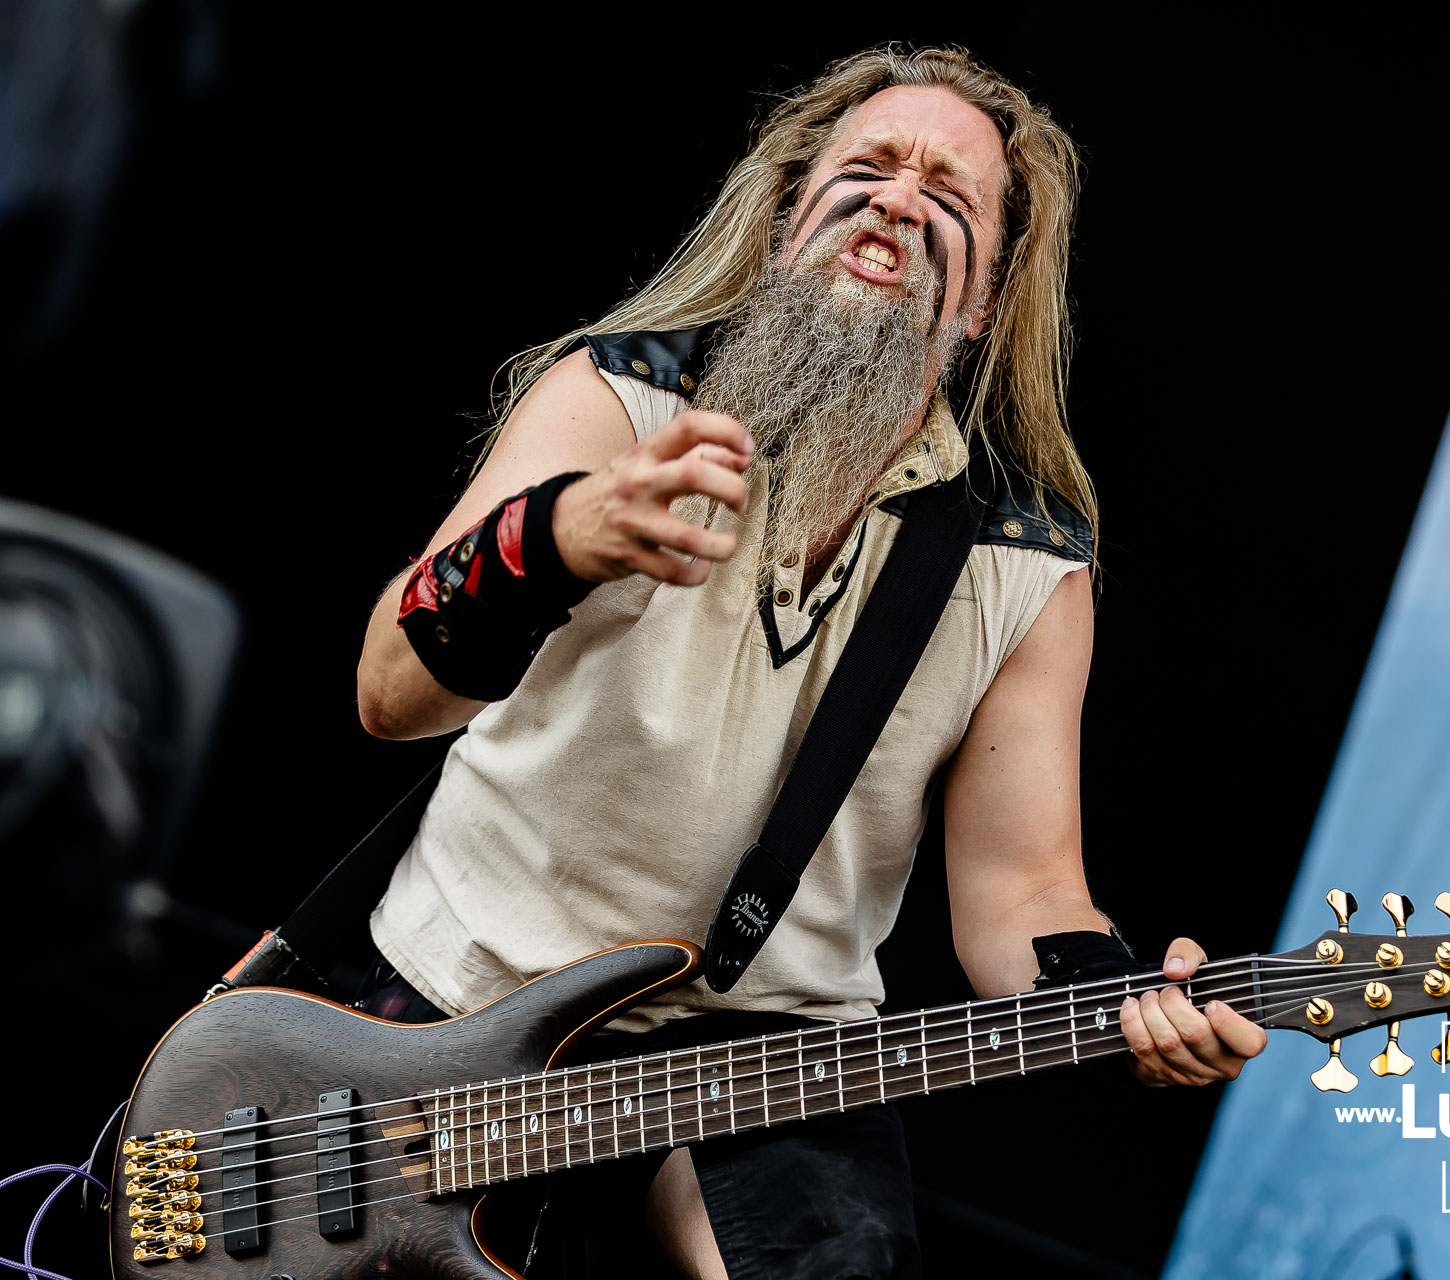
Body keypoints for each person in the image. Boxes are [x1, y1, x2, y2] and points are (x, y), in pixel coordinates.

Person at [352, 44, 1266, 1280]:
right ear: (790, 218)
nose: (899, 200)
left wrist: (1123, 1001)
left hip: (760, 1054)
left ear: (985, 301)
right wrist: (561, 536)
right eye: (872, 165)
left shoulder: (1023, 564)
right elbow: (390, 693)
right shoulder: (617, 402)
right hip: (469, 1002)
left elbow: (1022, 897)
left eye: (948, 192)